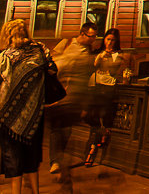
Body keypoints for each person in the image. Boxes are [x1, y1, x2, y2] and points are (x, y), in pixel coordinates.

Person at [0, 19, 56, 194]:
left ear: (7, 34)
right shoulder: (41, 50)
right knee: (32, 157)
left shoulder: (6, 55)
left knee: (12, 156)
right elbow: (53, 70)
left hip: (7, 115)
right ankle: (35, 190)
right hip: (34, 114)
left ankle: (15, 192)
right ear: (26, 32)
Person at [44, 22, 98, 184]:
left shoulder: (90, 53)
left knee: (65, 132)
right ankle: (56, 162)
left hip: (73, 99)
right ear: (82, 34)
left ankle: (59, 163)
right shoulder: (66, 44)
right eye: (91, 36)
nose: (93, 39)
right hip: (59, 96)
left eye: (95, 36)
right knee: (58, 130)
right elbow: (53, 65)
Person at [82, 28, 130, 167]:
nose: (110, 42)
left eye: (113, 40)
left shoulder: (118, 54)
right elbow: (92, 66)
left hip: (108, 87)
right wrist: (101, 56)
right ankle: (104, 133)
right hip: (94, 86)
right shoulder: (98, 52)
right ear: (104, 39)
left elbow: (114, 71)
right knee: (89, 116)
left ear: (116, 41)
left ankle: (92, 151)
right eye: (108, 39)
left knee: (101, 116)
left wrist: (112, 59)